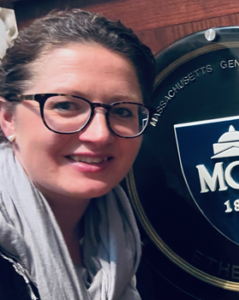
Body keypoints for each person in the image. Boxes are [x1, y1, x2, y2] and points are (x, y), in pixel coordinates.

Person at [0, 9, 155, 300]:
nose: (99, 134)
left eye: (122, 111)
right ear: (8, 117)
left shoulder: (140, 232)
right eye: (66, 106)